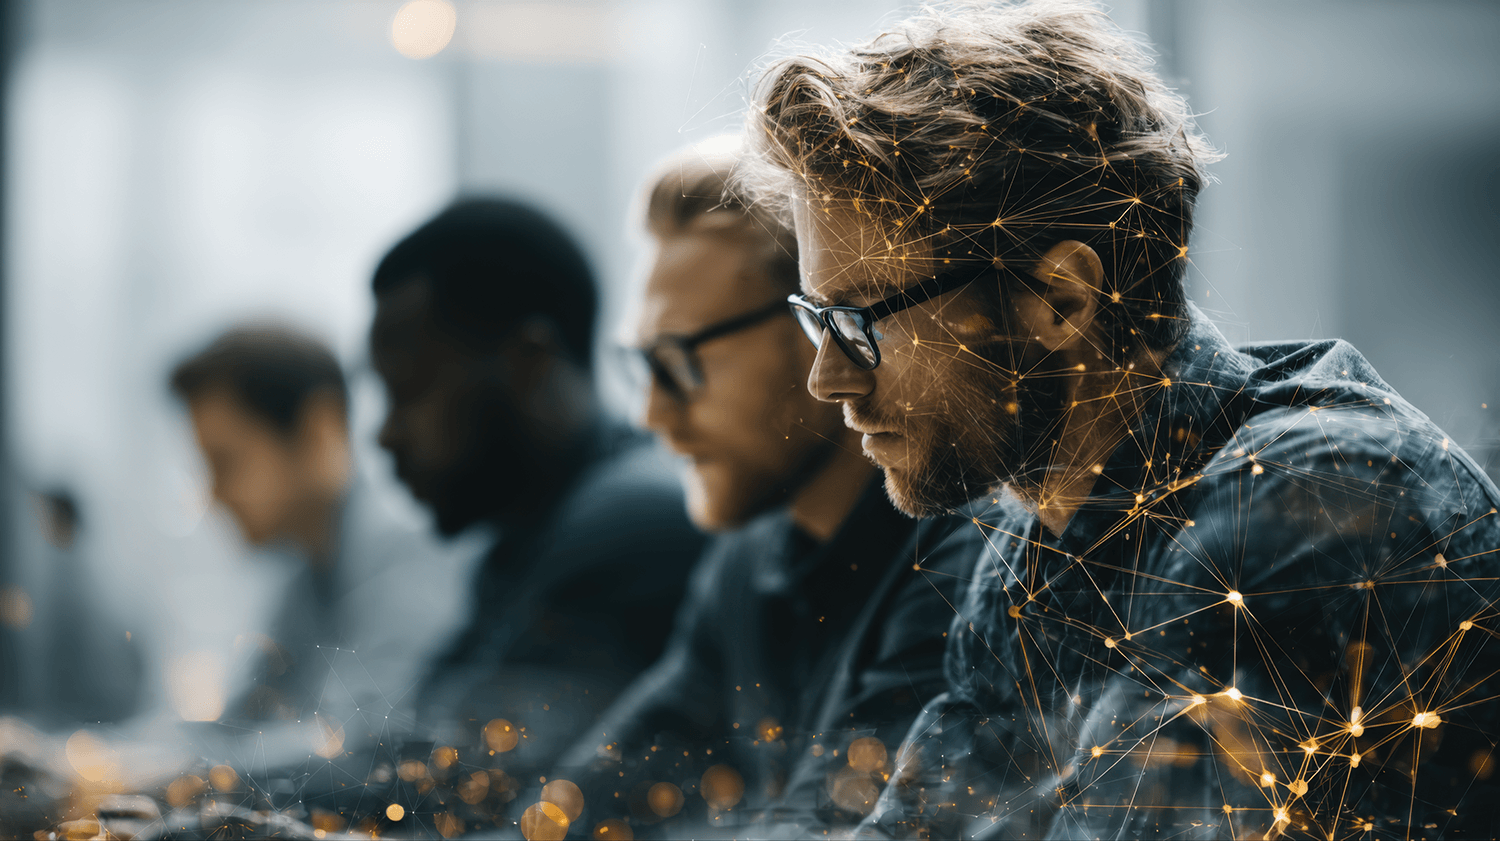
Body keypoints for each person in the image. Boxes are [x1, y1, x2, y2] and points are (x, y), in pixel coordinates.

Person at [745, 2, 1500, 837]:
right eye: (819, 317)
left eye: (862, 322)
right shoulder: (1032, 553)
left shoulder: (1312, 504)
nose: (826, 379)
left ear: (1060, 299)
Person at [548, 138, 982, 840]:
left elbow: (830, 825)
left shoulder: (961, 556)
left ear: (821, 325)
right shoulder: (749, 557)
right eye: (641, 364)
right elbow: (583, 808)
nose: (652, 415)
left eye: (680, 360)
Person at [369, 197, 706, 776]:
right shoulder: (523, 543)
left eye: (410, 392)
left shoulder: (632, 523)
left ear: (530, 362)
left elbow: (444, 778)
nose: (385, 436)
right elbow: (406, 743)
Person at [171, 326, 470, 725]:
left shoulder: (408, 557)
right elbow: (235, 727)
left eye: (225, 462)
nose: (213, 495)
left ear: (318, 429)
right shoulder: (304, 581)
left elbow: (359, 752)